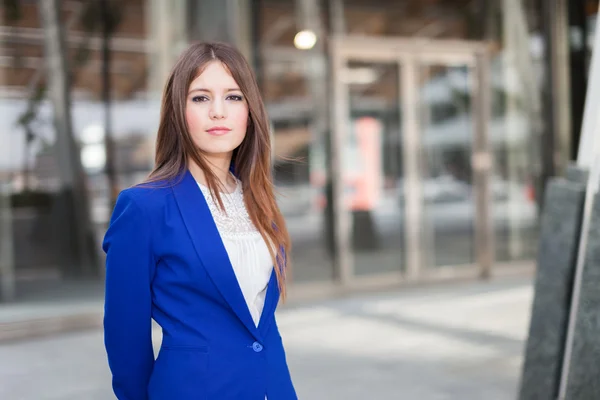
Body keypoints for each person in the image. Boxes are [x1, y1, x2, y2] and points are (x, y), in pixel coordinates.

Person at [102, 41, 297, 400]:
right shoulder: (144, 207)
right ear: (178, 110)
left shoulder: (258, 201)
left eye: (234, 97)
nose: (218, 112)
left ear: (250, 110)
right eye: (201, 98)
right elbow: (124, 336)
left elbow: (260, 324)